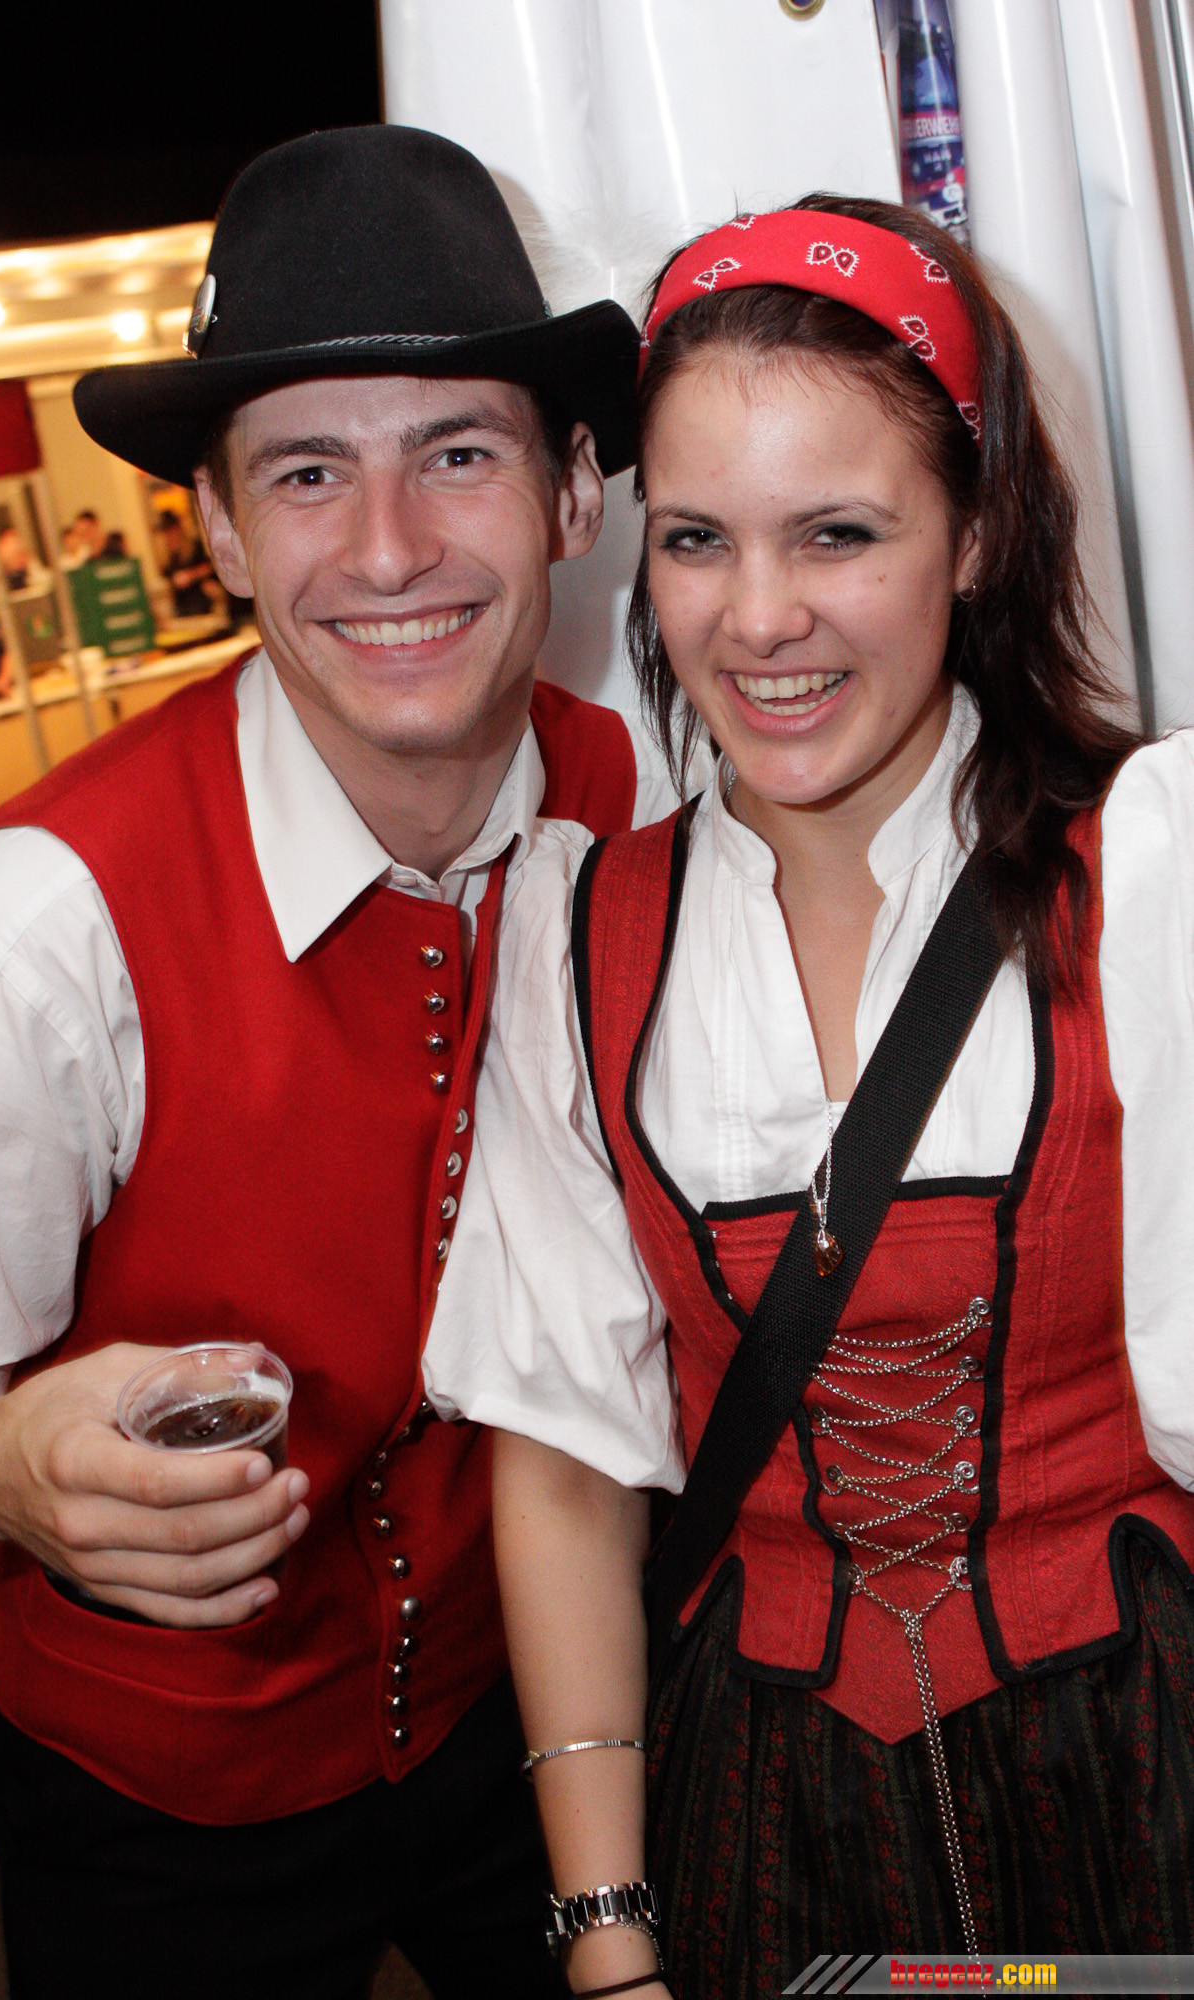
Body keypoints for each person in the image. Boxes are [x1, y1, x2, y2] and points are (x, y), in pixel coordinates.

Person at [0, 126, 679, 2000]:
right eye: (306, 473)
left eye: (456, 453)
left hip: (529, 1713)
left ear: (573, 492)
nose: (386, 548)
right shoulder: (34, 928)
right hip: (150, 1813)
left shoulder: (644, 798)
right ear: (220, 533)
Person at [423, 195, 1194, 1997]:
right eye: (696, 540)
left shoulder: (1153, 870)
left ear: (975, 532)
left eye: (836, 532)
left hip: (1145, 1767)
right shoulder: (573, 937)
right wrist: (608, 1941)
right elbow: (564, 1472)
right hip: (771, 1810)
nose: (758, 619)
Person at [155, 505, 216, 616]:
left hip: (200, 600)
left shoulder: (194, 546)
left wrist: (190, 575)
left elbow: (209, 567)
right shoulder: (167, 556)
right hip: (180, 605)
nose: (171, 535)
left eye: (173, 530)